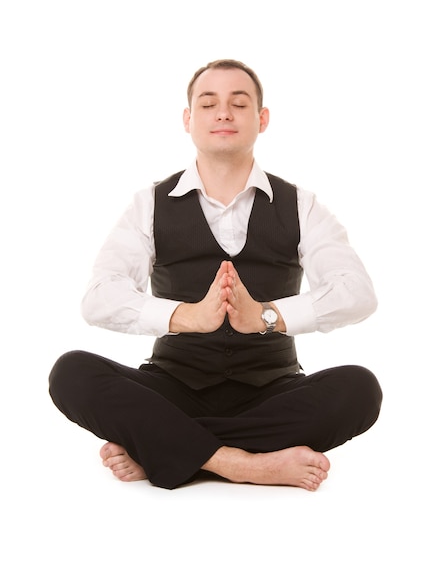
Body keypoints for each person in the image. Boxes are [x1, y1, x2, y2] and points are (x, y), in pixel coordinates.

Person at [49, 59, 382, 492]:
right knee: (71, 373)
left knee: (360, 389)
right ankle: (243, 463)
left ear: (261, 119)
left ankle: (165, 447)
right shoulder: (149, 204)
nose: (223, 113)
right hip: (172, 389)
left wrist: (267, 315)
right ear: (189, 120)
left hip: (272, 391)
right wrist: (186, 316)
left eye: (238, 104)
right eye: (208, 104)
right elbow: (98, 297)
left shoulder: (301, 205)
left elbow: (357, 293)